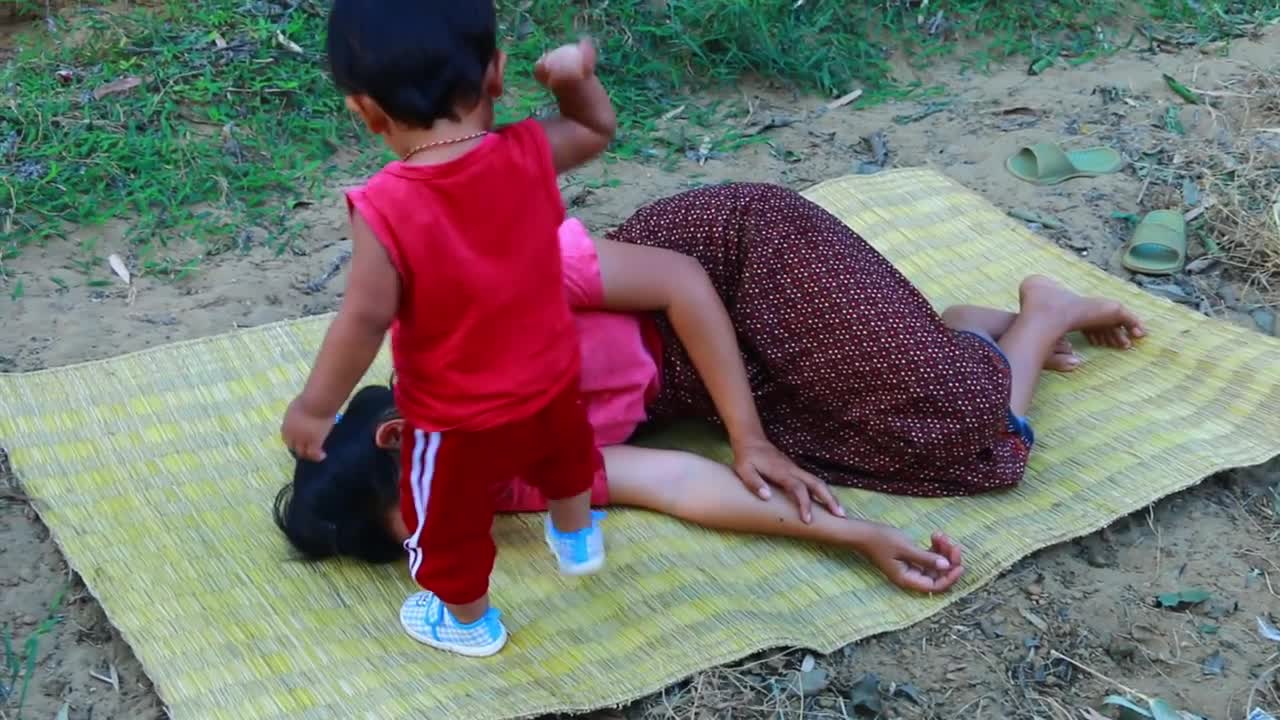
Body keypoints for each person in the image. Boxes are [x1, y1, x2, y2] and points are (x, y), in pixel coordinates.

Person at [274, 183, 1145, 603]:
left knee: (956, 414)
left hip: (729, 263)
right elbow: (677, 483)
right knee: (966, 462)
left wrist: (749, 435)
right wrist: (858, 535)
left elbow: (682, 280)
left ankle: (1037, 315)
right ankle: (960, 332)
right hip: (705, 379)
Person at [279, 0, 618, 658]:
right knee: (568, 456)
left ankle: (466, 621)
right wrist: (572, 79)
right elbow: (596, 128)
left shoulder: (386, 206)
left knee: (448, 527)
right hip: (552, 383)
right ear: (495, 73)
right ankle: (575, 533)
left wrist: (316, 406)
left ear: (363, 110)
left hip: (458, 425)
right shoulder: (527, 151)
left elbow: (365, 318)